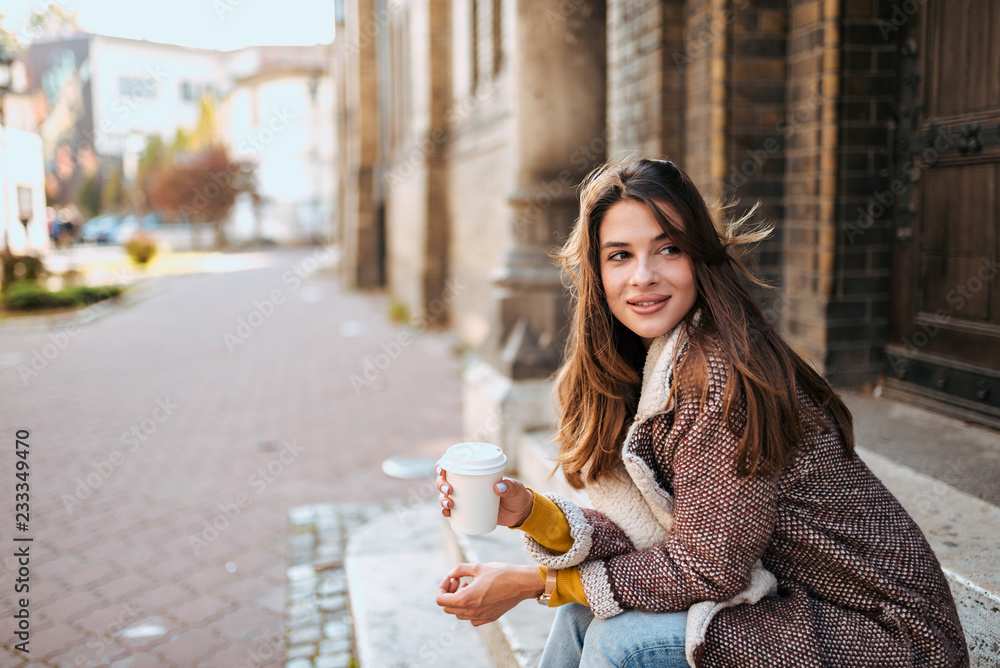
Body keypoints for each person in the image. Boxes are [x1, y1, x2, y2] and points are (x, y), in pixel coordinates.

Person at [434, 157, 969, 667]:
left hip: (888, 635)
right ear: (596, 273)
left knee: (623, 642)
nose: (642, 276)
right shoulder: (650, 363)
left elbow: (707, 566)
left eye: (667, 250)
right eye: (619, 255)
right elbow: (655, 535)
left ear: (699, 256)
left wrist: (534, 583)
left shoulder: (719, 372)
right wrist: (528, 511)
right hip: (798, 605)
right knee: (581, 613)